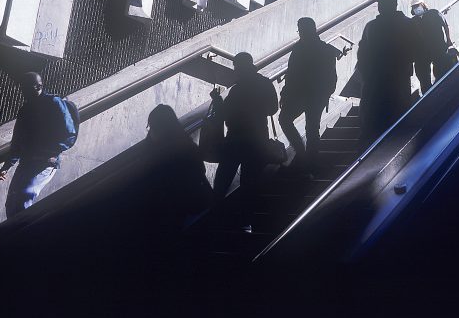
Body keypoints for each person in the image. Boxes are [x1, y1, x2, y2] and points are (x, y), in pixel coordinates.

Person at [211, 52, 278, 230]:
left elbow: (226, 113)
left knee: (222, 180)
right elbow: (273, 108)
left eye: (236, 67)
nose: (235, 70)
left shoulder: (237, 88)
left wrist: (217, 102)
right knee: (249, 182)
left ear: (240, 67)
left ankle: (214, 218)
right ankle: (245, 221)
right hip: (257, 140)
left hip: (235, 140)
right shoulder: (264, 83)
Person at [0, 72, 77, 218]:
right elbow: (17, 143)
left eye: (27, 88)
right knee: (12, 203)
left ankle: (22, 238)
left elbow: (69, 134)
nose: (23, 91)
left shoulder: (54, 102)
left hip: (44, 163)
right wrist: (6, 167)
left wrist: (47, 151)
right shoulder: (25, 110)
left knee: (22, 201)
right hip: (27, 162)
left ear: (39, 86)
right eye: (22, 88)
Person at [279, 18, 339, 174]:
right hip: (315, 96)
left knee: (286, 120)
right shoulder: (325, 49)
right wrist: (326, 93)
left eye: (301, 30)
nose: (300, 33)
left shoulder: (299, 49)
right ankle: (309, 161)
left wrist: (285, 93)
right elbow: (332, 77)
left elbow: (291, 74)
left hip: (301, 95)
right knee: (312, 129)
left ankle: (303, 155)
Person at [357, 0, 415, 142]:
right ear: (395, 4)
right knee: (397, 129)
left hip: (374, 86)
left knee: (371, 128)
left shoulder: (371, 27)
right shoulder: (408, 25)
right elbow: (418, 52)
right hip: (399, 84)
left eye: (380, 3)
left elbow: (361, 56)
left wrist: (365, 78)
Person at [143, 104, 213, 226]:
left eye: (152, 128)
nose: (150, 132)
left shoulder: (168, 155)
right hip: (202, 202)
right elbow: (201, 169)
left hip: (186, 209)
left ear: (161, 130)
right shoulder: (186, 144)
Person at [410, 0, 453, 95]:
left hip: (438, 48)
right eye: (414, 7)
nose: (416, 8)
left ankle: (443, 91)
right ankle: (428, 93)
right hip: (423, 53)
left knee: (441, 71)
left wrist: (449, 40)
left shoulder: (434, 13)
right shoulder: (413, 21)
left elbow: (445, 25)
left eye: (417, 5)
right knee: (423, 75)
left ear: (423, 5)